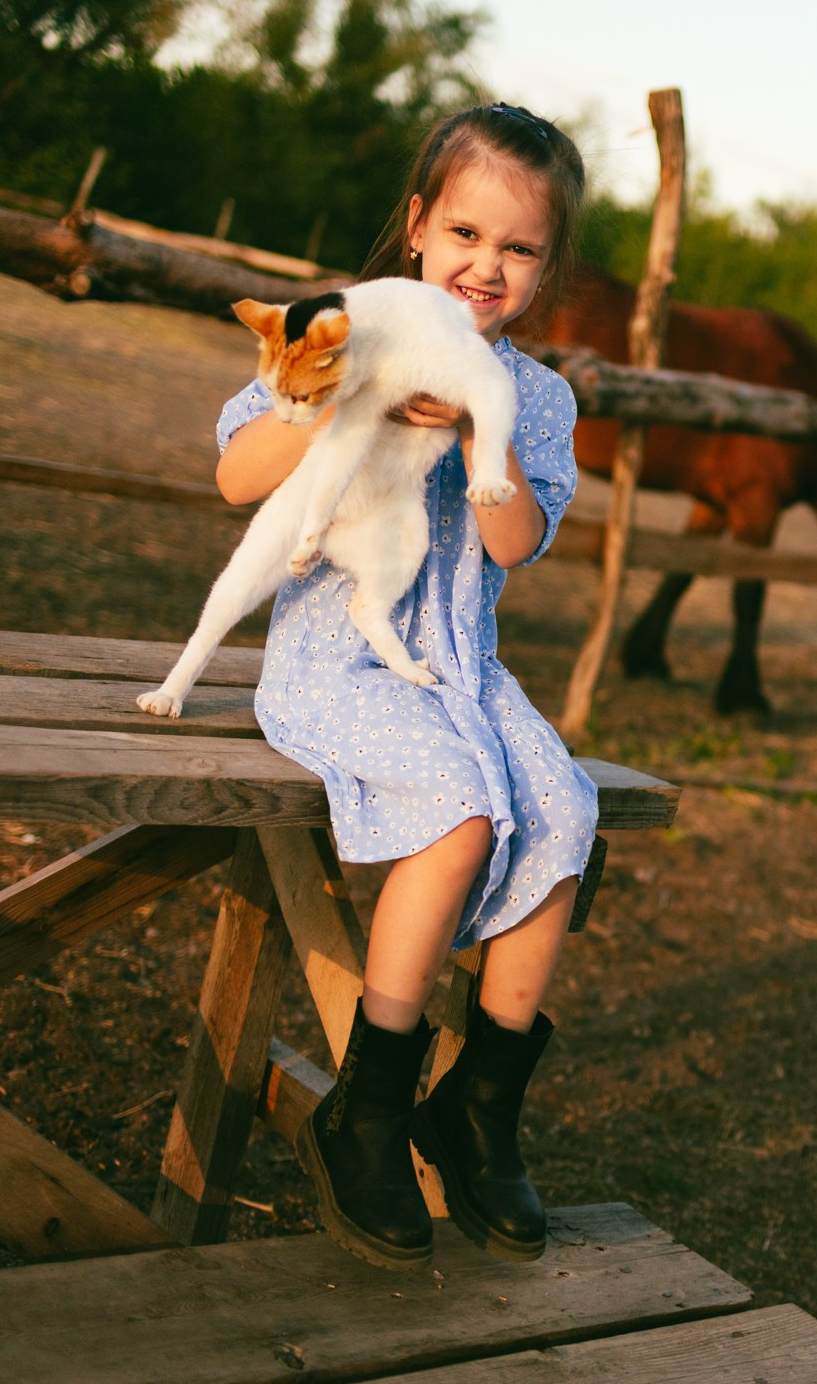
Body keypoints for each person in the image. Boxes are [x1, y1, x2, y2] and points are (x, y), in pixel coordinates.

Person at [211, 103, 595, 1270]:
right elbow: (237, 475)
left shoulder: (537, 397)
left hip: (461, 669)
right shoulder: (349, 330)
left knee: (565, 806)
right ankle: (369, 1104)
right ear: (420, 225)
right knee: (462, 806)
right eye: (467, 234)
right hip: (336, 661)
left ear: (546, 266)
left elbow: (520, 540)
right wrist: (349, 395)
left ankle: (479, 1105)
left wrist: (484, 436)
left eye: (520, 248)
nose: (487, 266)